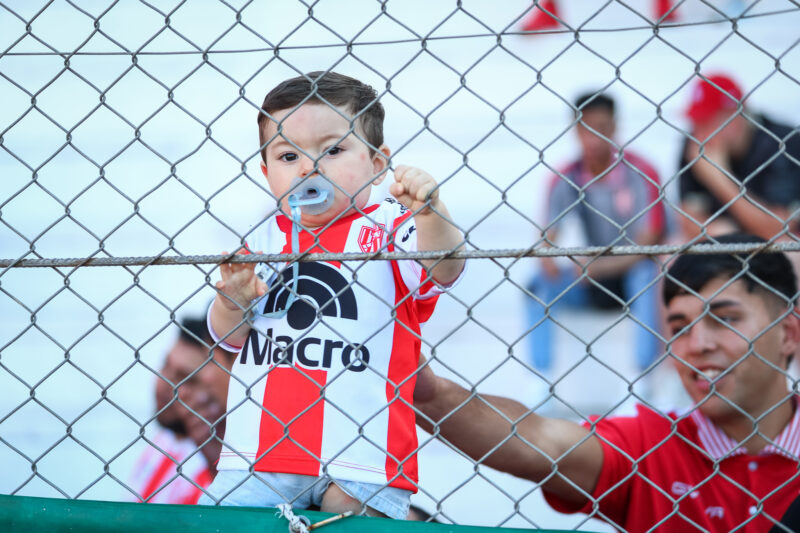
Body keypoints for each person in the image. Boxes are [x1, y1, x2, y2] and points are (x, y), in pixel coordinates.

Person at [200, 71, 465, 520]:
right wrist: (233, 302)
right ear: (266, 173)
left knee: (349, 523)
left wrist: (430, 212)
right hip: (258, 454)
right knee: (221, 524)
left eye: (333, 150)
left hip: (363, 455)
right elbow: (227, 337)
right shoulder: (263, 239)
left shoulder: (390, 226)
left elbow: (443, 267)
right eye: (288, 155)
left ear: (377, 163)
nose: (308, 168)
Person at [416, 233, 800, 532]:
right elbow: (536, 440)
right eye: (680, 328)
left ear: (788, 334)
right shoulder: (651, 445)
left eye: (725, 319)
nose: (697, 345)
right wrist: (427, 392)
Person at [526, 92, 666, 373]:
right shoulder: (566, 176)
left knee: (647, 277)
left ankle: (644, 376)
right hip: (591, 278)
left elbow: (650, 239)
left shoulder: (641, 171)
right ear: (575, 130)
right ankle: (540, 379)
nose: (593, 138)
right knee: (537, 287)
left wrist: (600, 267)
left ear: (614, 127)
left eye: (601, 128)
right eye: (585, 129)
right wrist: (548, 257)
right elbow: (548, 234)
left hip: (632, 272)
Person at [677, 73, 800, 240]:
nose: (699, 133)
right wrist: (721, 234)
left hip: (777, 244)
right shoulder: (694, 142)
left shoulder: (782, 142)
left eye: (707, 122)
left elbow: (779, 229)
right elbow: (687, 220)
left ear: (736, 115)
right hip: (720, 238)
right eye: (696, 123)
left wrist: (720, 179)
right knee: (674, 245)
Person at [128, 317, 233, 504]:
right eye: (166, 364)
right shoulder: (164, 441)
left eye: (185, 377)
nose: (164, 383)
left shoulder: (221, 467)